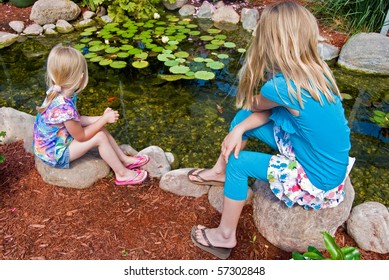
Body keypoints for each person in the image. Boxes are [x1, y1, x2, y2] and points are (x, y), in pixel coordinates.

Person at [188, 1, 354, 259]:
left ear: (270, 42)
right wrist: (240, 127)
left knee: (240, 164)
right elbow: (260, 112)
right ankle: (218, 171)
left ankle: (224, 237)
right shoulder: (315, 73)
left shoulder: (280, 88)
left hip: (316, 179)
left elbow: (256, 103)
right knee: (243, 119)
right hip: (319, 157)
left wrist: (248, 110)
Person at [33, 44, 149, 186]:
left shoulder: (59, 92)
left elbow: (75, 120)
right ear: (81, 77)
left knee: (98, 128)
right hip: (55, 155)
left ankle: (124, 159)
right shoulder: (63, 107)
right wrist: (104, 120)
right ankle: (122, 174)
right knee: (99, 137)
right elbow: (81, 136)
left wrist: (100, 119)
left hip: (57, 141)